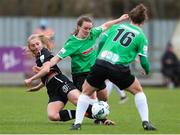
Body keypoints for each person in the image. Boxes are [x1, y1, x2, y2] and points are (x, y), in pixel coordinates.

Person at [24, 14, 129, 125]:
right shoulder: (71, 43)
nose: (88, 31)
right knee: (89, 96)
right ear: (79, 27)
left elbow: (105, 25)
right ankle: (99, 117)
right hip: (80, 75)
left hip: (94, 71)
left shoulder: (93, 34)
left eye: (90, 28)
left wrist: (119, 19)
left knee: (104, 95)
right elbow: (56, 59)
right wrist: (45, 68)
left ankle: (99, 115)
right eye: (85, 28)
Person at [71, 3, 157, 130]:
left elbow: (101, 42)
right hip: (118, 67)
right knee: (138, 91)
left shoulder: (117, 27)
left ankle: (77, 124)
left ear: (130, 18)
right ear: (143, 21)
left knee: (85, 92)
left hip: (101, 63)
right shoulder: (141, 37)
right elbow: (144, 61)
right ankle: (146, 122)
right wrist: (147, 70)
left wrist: (98, 58)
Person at [24, 34, 97, 123]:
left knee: (78, 101)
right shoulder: (39, 57)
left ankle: (102, 117)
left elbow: (46, 70)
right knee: (53, 115)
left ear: (42, 44)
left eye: (37, 44)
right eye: (33, 45)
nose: (35, 47)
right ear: (30, 48)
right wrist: (38, 87)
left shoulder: (44, 52)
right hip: (52, 90)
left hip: (61, 82)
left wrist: (31, 79)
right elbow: (47, 76)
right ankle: (82, 113)